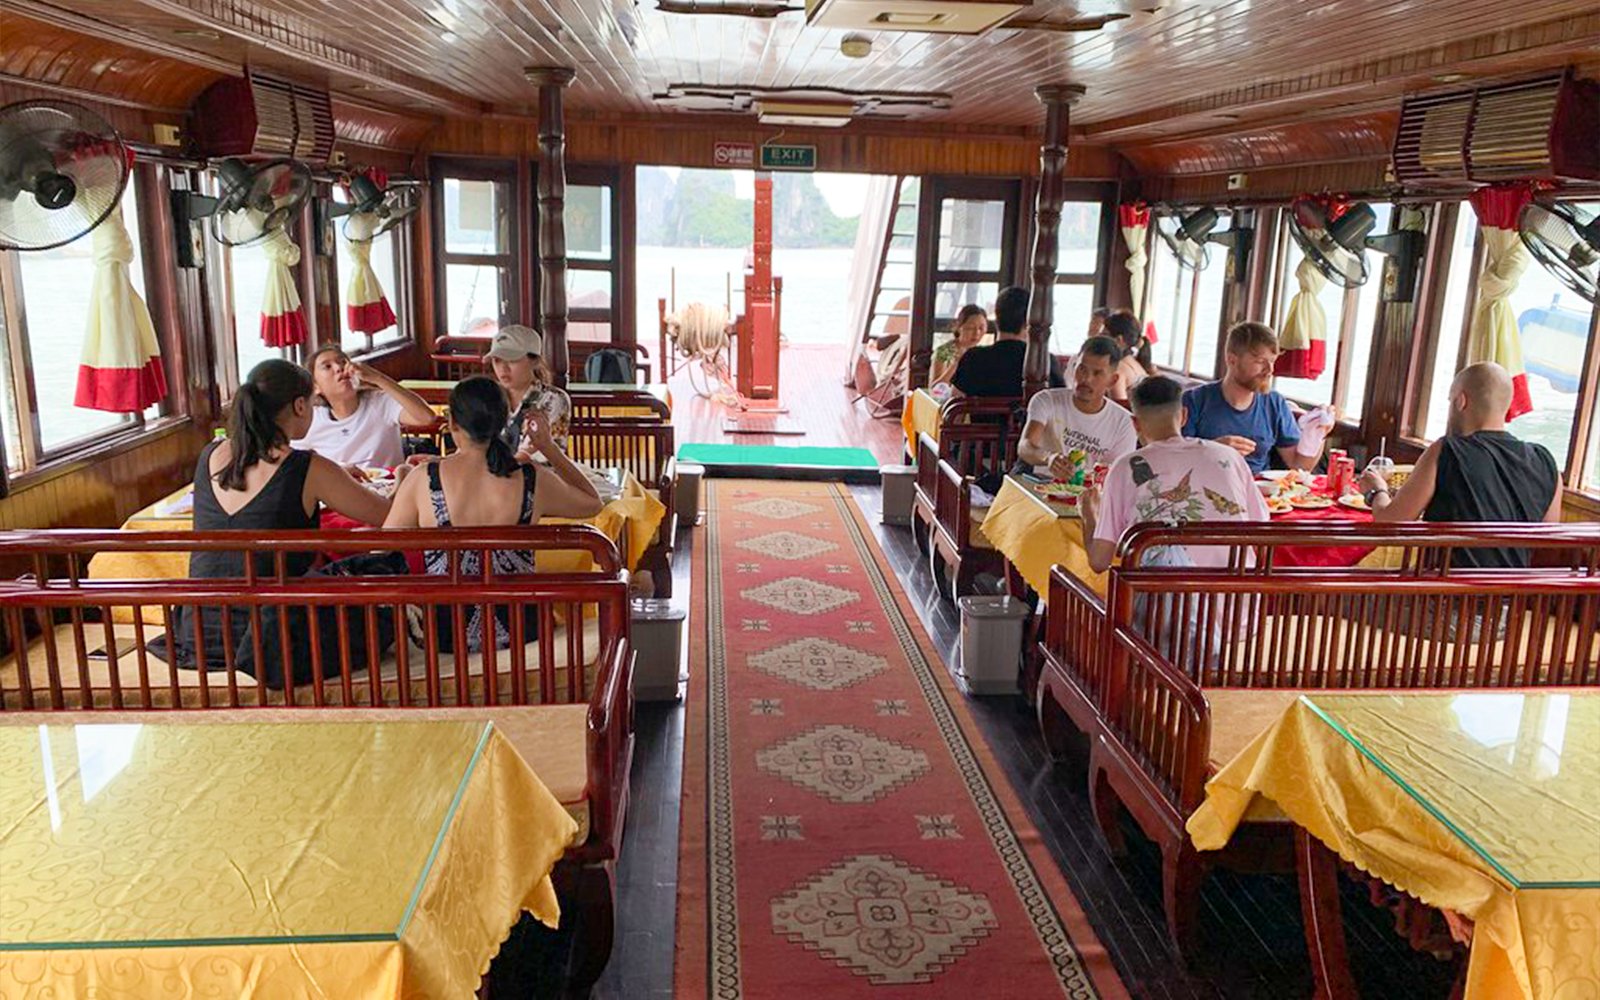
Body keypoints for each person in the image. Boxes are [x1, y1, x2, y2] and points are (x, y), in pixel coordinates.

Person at [161, 360, 395, 671]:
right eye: (312, 404)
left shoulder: (210, 455)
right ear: (300, 406)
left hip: (202, 633)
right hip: (275, 638)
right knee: (380, 594)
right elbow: (387, 516)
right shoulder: (306, 466)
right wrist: (407, 478)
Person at [385, 376, 603, 650]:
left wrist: (400, 482)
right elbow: (592, 502)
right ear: (503, 422)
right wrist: (548, 447)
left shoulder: (423, 479)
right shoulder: (531, 478)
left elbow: (384, 548)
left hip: (447, 634)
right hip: (523, 630)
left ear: (452, 423)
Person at [1360, 362, 1561, 569]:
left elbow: (1391, 524)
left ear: (1461, 401)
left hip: (1445, 597)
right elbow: (1547, 541)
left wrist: (1376, 490)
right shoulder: (1545, 461)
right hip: (1513, 597)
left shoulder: (1447, 450)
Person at [1082, 375, 1269, 575]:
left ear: (1135, 424)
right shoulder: (1230, 457)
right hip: (1239, 602)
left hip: (1162, 604)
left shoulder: (1125, 468)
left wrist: (1088, 513)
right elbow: (1262, 532)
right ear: (1184, 416)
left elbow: (1099, 562)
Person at [1181, 321, 1324, 475]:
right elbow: (1174, 460)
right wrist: (1212, 450)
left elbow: (1299, 466)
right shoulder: (1194, 401)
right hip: (1205, 488)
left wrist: (1317, 434)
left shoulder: (1274, 403)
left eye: (1272, 362)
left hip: (1259, 491)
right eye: (1260, 362)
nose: (1269, 370)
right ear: (1232, 360)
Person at [295, 345, 436, 470]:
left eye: (343, 362)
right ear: (316, 387)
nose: (339, 368)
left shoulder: (380, 402)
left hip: (391, 491)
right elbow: (291, 458)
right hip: (341, 494)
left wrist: (378, 378)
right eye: (327, 366)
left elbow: (427, 418)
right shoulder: (313, 419)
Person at [1018, 335, 1138, 480]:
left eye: (1097, 373)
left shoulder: (1124, 423)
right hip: (1041, 483)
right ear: (1073, 367)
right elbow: (1025, 447)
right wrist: (1048, 458)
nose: (1086, 379)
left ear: (1112, 381)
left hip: (1089, 495)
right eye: (1082, 369)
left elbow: (1117, 475)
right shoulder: (1046, 400)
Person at [949, 286, 1065, 398]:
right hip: (1031, 419)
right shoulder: (1044, 362)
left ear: (996, 320)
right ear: (1028, 322)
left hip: (985, 419)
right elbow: (1062, 405)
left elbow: (954, 408)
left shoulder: (973, 358)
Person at [486, 324, 572, 459]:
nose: (503, 368)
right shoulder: (487, 397)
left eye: (512, 360)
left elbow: (548, 457)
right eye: (497, 360)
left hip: (537, 477)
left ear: (535, 361)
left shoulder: (553, 399)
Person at [929, 304, 988, 385]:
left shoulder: (982, 352)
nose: (977, 333)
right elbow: (935, 390)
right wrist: (956, 364)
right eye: (970, 328)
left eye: (981, 328)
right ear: (959, 327)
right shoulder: (944, 352)